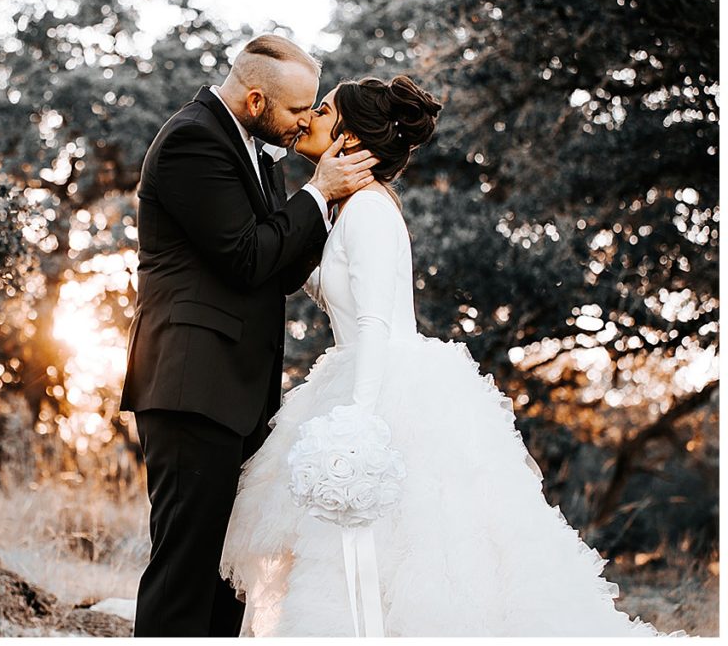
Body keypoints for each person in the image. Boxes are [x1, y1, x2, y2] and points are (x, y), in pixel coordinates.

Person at [218, 75, 691, 637]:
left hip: (379, 387)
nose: (308, 119)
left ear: (349, 137)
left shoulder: (368, 210)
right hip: (359, 372)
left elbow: (372, 323)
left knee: (399, 550)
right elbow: (327, 290)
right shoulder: (348, 211)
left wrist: (358, 421)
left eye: (322, 111)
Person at [118, 34, 379, 637]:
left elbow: (280, 268)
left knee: (226, 573)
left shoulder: (259, 155)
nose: (304, 123)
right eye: (296, 111)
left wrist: (328, 204)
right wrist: (320, 193)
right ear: (257, 98)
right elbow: (244, 256)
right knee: (185, 566)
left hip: (239, 394)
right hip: (191, 385)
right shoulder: (192, 140)